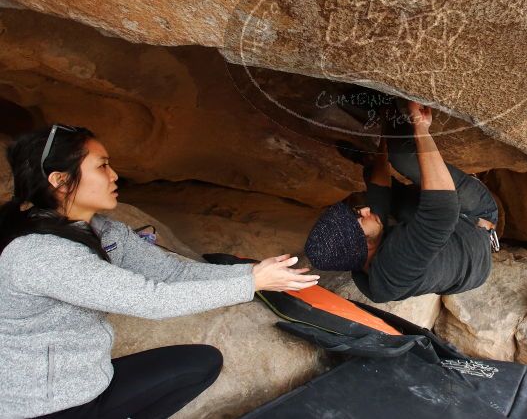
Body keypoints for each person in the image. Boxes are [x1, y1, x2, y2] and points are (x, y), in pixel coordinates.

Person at [0, 124, 319, 419]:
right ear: (60, 181)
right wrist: (251, 283)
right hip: (44, 408)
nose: (115, 175)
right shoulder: (38, 254)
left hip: (89, 382)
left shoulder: (105, 232)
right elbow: (152, 300)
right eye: (102, 166)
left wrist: (251, 273)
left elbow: (172, 273)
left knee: (201, 364)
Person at [305, 101, 499, 303]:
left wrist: (383, 132)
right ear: (364, 246)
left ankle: (372, 150)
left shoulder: (358, 258)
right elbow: (442, 211)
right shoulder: (396, 266)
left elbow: (378, 193)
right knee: (402, 156)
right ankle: (390, 108)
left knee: (379, 184)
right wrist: (421, 127)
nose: (363, 211)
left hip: (447, 243)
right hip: (476, 219)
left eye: (355, 211)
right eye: (359, 219)